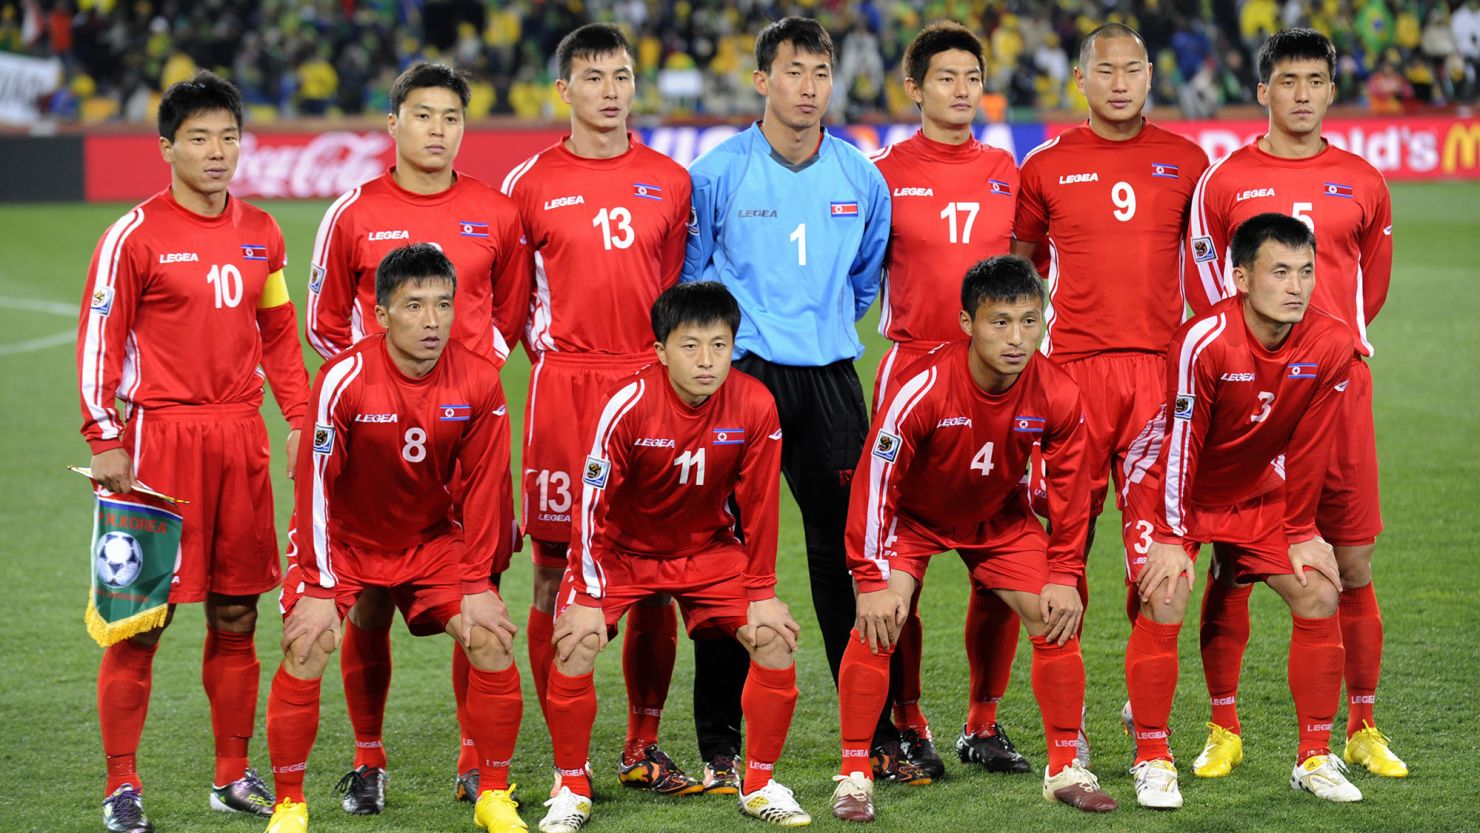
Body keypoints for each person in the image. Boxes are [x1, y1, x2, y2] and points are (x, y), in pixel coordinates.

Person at [76, 70, 309, 833]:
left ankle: (231, 776)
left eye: (229, 136)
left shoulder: (263, 232)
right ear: (167, 147)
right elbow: (99, 339)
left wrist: (301, 415)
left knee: (237, 613)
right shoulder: (133, 234)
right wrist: (102, 433)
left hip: (239, 440)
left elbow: (277, 332)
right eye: (200, 138)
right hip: (156, 444)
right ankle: (121, 785)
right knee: (140, 620)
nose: (217, 151)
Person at [302, 61, 531, 812]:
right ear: (393, 123)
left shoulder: (494, 212)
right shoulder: (353, 212)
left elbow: (513, 312)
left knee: (480, 589)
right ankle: (369, 758)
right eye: (423, 115)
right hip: (375, 443)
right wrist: (370, 395)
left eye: (452, 117)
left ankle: (476, 758)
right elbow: (324, 320)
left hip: (466, 435)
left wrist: (468, 385)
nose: (438, 130)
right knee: (367, 600)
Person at [1183, 27, 1402, 779]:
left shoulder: (1364, 180)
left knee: (1352, 559)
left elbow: (1370, 286)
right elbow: (1208, 285)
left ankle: (1361, 725)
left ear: (1332, 91)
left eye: (1315, 80)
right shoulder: (1225, 180)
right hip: (1249, 397)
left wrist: (1326, 351)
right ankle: (1223, 726)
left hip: (1338, 391)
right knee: (1234, 560)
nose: (1302, 94)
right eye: (1288, 80)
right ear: (1262, 90)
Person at [684, 15, 897, 782]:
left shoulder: (860, 177)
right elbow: (693, 276)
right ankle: (717, 742)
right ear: (762, 80)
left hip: (833, 379)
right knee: (726, 560)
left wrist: (824, 323)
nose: (809, 87)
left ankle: (866, 736)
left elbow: (867, 278)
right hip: (743, 381)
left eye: (820, 72)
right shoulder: (716, 173)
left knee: (848, 558)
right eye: (794, 72)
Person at [830, 256, 1117, 823]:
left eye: (1030, 322)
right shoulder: (924, 389)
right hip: (910, 520)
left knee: (1055, 613)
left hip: (996, 518)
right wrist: (871, 579)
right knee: (880, 621)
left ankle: (1064, 768)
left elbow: (1069, 490)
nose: (1016, 339)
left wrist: (1063, 573)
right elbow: (875, 483)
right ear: (968, 324)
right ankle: (855, 772)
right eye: (1000, 322)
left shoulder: (1057, 391)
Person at [263, 244, 525, 833]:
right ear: (382, 315)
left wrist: (479, 582)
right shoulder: (341, 379)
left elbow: (486, 489)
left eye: (443, 305)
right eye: (414, 306)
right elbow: (316, 489)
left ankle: (494, 794)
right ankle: (290, 804)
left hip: (430, 540)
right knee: (307, 643)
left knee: (490, 636)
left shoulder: (481, 380)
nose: (432, 321)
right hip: (346, 541)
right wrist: (319, 582)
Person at [499, 23, 699, 794]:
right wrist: (565, 366)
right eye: (593, 77)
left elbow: (681, 294)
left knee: (652, 570)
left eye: (621, 76)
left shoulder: (669, 179)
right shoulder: (528, 183)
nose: (610, 91)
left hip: (651, 390)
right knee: (552, 574)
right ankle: (564, 744)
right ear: (564, 91)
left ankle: (641, 743)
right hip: (566, 389)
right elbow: (512, 311)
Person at [539, 282, 809, 833]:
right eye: (690, 346)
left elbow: (760, 505)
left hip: (707, 551)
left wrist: (761, 592)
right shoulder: (627, 405)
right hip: (621, 553)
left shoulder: (756, 403)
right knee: (575, 640)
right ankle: (570, 784)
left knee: (776, 638)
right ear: (660, 350)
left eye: (719, 344)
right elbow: (591, 505)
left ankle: (757, 782)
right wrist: (589, 595)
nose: (707, 360)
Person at [1011, 22, 1209, 766]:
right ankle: (1070, 726)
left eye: (1133, 70)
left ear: (1152, 75)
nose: (1120, 81)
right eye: (1106, 70)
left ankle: (1141, 708)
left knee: (1155, 556)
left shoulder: (1189, 163)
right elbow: (1020, 266)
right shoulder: (1046, 165)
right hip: (1071, 382)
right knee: (1063, 553)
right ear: (1081, 80)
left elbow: (1213, 267)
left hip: (1160, 381)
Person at [1121, 213, 1362, 807]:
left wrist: (1303, 530)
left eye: (1306, 272)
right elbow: (1181, 443)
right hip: (1167, 483)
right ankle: (1152, 754)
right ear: (1240, 279)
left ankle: (1314, 756)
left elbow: (1309, 447)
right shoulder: (1201, 340)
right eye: (1279, 272)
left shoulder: (1332, 342)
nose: (1296, 286)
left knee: (1318, 590)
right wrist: (1174, 535)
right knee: (1169, 590)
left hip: (1253, 486)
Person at [865, 21, 1021, 781]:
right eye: (945, 77)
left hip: (994, 385)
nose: (960, 90)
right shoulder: (882, 172)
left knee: (996, 556)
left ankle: (984, 724)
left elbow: (1028, 273)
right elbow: (861, 273)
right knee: (905, 562)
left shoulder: (1005, 169)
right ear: (915, 87)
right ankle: (907, 719)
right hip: (912, 378)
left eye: (971, 77)